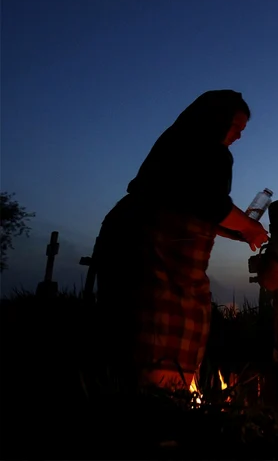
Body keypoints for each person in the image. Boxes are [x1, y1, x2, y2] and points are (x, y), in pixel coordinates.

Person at [96, 90, 268, 392]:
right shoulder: (207, 151)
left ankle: (153, 394)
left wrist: (234, 230)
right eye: (234, 128)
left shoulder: (179, 144)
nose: (238, 137)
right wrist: (250, 229)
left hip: (137, 235)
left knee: (167, 315)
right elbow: (208, 203)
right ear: (215, 121)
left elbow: (194, 207)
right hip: (153, 248)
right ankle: (157, 399)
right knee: (155, 319)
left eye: (242, 131)